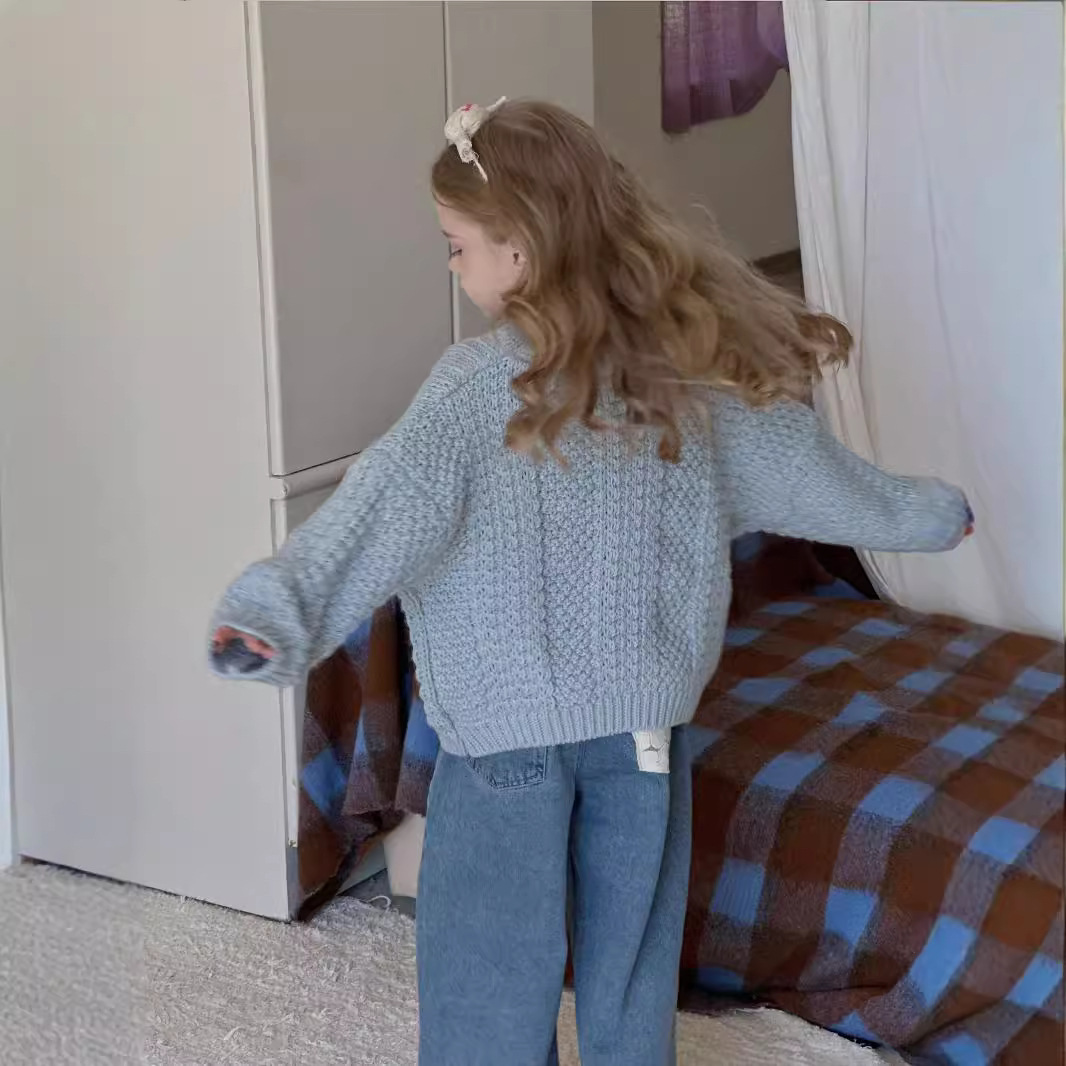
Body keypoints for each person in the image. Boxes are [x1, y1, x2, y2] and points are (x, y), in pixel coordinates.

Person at [209, 99, 973, 1066]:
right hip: (642, 735)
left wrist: (273, 611)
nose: (452, 266)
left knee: (489, 958)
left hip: (506, 743)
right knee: (631, 959)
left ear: (520, 250)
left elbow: (375, 516)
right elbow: (814, 479)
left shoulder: (469, 390)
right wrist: (925, 514)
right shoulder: (681, 379)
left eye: (456, 246)